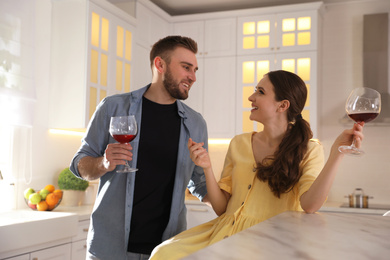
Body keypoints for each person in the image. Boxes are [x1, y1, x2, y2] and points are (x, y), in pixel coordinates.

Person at [149, 70, 365, 260]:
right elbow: (222, 208)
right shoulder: (239, 142)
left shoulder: (309, 149)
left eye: (260, 92)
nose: (251, 97)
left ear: (283, 105)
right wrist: (206, 167)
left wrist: (338, 153)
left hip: (271, 240)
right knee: (163, 253)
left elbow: (310, 205)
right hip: (224, 232)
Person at [69, 36, 209, 260]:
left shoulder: (195, 123)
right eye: (186, 68)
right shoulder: (114, 107)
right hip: (110, 249)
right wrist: (102, 163)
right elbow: (79, 164)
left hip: (166, 251)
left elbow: (200, 183)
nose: (192, 77)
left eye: (195, 70)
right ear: (160, 64)